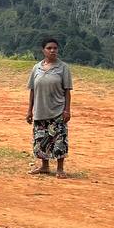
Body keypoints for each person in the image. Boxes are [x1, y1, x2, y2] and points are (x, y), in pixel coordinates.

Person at [26, 37, 73, 178]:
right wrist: (29, 110)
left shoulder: (63, 68)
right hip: (40, 110)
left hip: (58, 110)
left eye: (55, 48)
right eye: (49, 48)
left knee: (59, 139)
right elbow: (32, 90)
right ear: (43, 50)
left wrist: (67, 110)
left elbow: (67, 91)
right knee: (41, 139)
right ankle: (44, 166)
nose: (53, 50)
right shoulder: (37, 68)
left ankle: (60, 168)